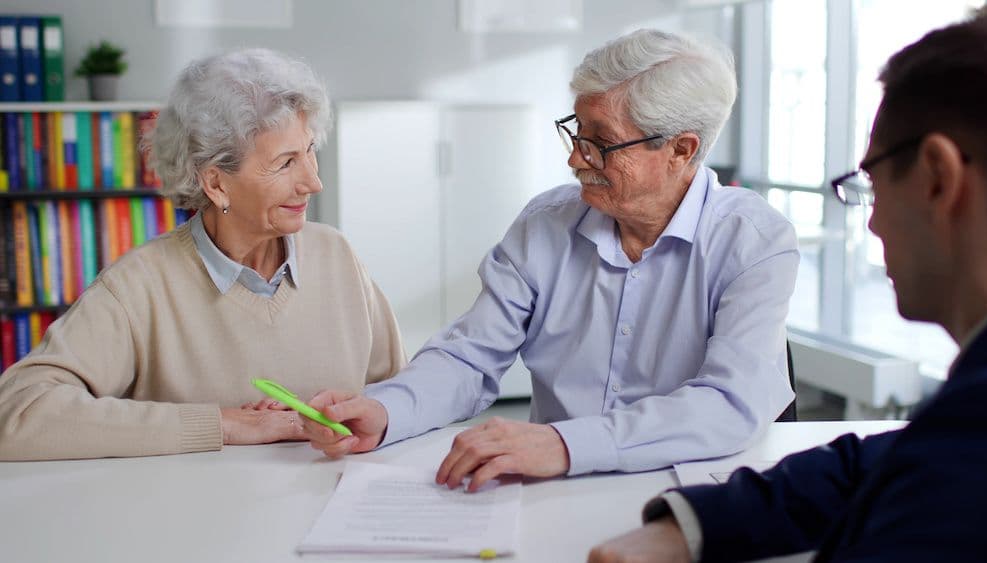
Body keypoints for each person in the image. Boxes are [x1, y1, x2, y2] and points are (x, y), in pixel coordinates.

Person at [303, 29, 800, 491]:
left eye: (600, 143)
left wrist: (565, 443)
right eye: (576, 131)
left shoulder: (753, 241)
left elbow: (729, 403)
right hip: (558, 488)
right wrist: (385, 410)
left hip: (691, 491)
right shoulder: (546, 224)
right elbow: (468, 357)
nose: (575, 159)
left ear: (680, 149)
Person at [588, 10, 987, 563]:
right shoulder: (973, 415)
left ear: (937, 179)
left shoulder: (971, 460)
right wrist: (688, 528)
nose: (872, 223)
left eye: (871, 187)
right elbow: (882, 460)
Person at [0, 48, 406, 461]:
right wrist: (224, 425)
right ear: (215, 183)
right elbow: (17, 413)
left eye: (309, 151)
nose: (313, 182)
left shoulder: (336, 256)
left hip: (334, 514)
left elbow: (402, 397)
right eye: (286, 164)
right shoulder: (139, 286)